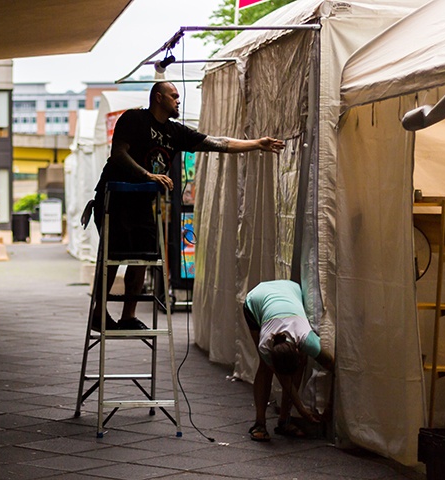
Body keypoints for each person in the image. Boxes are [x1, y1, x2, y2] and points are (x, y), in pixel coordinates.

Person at [86, 81, 285, 332]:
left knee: (142, 259)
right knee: (112, 257)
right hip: (114, 200)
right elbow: (118, 153)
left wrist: (257, 144)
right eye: (174, 96)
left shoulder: (175, 132)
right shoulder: (134, 119)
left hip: (142, 205)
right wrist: (148, 175)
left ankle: (128, 315)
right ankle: (99, 313)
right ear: (158, 98)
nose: (178, 100)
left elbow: (218, 143)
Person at [243, 279, 335, 441]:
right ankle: (260, 423)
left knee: (297, 368)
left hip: (289, 289)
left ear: (299, 350)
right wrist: (302, 409)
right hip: (256, 299)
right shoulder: (265, 346)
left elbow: (334, 368)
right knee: (265, 367)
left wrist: (330, 405)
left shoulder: (308, 340)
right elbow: (284, 380)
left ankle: (284, 421)